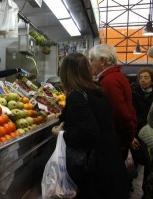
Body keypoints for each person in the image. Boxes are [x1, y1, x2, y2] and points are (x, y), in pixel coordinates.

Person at [52, 52, 129, 199]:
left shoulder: (77, 96)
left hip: (95, 172)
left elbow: (88, 132)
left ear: (65, 73)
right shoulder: (97, 92)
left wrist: (61, 134)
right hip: (111, 163)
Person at [89, 43, 139, 160]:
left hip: (116, 142)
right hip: (120, 140)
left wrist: (129, 137)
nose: (90, 65)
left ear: (102, 61)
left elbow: (121, 114)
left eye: (91, 60)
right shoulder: (116, 76)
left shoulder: (109, 81)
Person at [132, 68, 153, 199]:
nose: (143, 80)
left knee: (149, 164)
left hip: (151, 133)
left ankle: (147, 190)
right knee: (135, 160)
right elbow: (132, 113)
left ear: (152, 80)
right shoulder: (134, 93)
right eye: (140, 78)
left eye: (146, 77)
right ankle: (129, 185)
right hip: (138, 131)